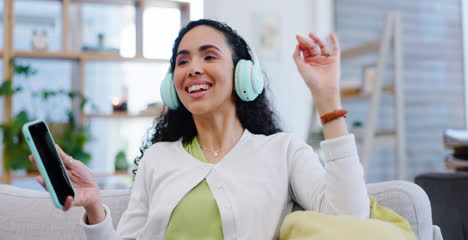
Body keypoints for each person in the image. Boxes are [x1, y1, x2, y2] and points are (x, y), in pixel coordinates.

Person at [29, 19, 369, 239]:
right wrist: (94, 206)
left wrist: (327, 99)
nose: (193, 68)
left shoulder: (283, 151)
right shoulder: (157, 159)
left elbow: (350, 218)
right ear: (171, 84)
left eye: (209, 57)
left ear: (243, 75)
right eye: (182, 61)